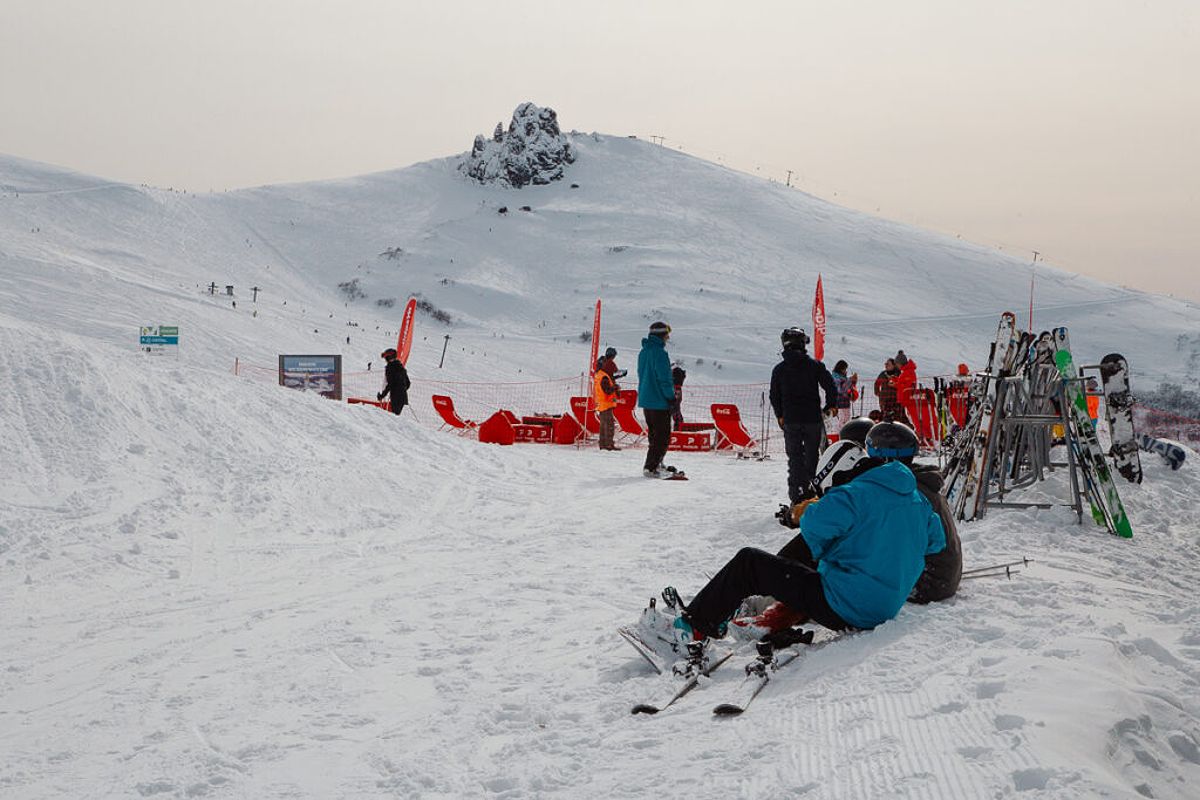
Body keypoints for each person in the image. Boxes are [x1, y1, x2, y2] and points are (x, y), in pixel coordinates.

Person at [639, 420, 946, 658]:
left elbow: (813, 526)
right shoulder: (917, 499)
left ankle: (691, 630)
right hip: (885, 607)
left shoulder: (855, 493)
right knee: (806, 561)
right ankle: (735, 611)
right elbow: (935, 541)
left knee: (750, 562)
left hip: (847, 605)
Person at [769, 327, 837, 505]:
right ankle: (813, 494)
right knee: (812, 457)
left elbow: (773, 395)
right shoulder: (814, 365)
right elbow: (830, 385)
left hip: (791, 420)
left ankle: (797, 497)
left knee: (795, 458)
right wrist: (831, 405)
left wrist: (780, 414)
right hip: (812, 419)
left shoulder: (779, 369)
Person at [637, 322, 677, 477]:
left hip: (647, 400)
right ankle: (651, 467)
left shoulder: (643, 352)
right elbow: (664, 379)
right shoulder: (660, 353)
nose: (668, 337)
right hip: (659, 400)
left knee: (654, 435)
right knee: (662, 436)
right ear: (662, 335)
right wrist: (671, 397)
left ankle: (657, 463)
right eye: (667, 333)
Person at [594, 347, 622, 451]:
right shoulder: (604, 377)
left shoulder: (600, 374)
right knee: (609, 425)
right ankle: (609, 444)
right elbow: (607, 390)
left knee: (603, 425)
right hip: (606, 403)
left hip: (602, 403)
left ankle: (603, 444)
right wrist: (615, 387)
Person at [377, 348, 411, 415]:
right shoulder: (400, 366)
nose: (385, 360)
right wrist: (402, 389)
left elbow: (390, 384)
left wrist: (382, 396)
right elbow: (408, 383)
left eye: (386, 358)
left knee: (396, 418)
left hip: (396, 398)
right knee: (402, 418)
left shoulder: (390, 368)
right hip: (404, 397)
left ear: (389, 357)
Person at [830, 360, 859, 428]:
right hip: (839, 402)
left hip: (845, 401)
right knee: (842, 420)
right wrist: (850, 380)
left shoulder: (842, 377)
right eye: (845, 369)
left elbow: (848, 386)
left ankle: (844, 434)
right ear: (841, 368)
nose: (845, 371)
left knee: (846, 419)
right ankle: (840, 435)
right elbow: (840, 390)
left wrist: (853, 381)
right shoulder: (835, 377)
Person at [670, 363, 687, 430]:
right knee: (676, 410)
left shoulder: (674, 371)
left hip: (673, 390)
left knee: (674, 410)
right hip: (677, 390)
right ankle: (679, 428)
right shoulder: (677, 370)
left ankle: (679, 429)